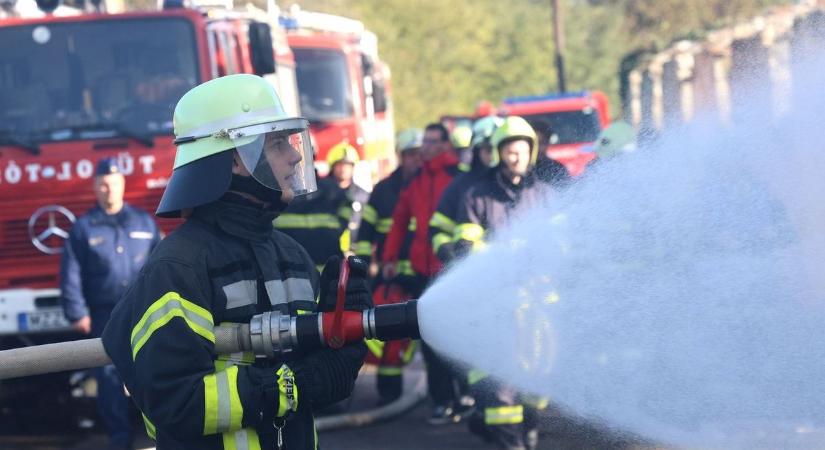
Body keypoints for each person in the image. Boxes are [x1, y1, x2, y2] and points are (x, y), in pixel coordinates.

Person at [100, 74, 370, 450]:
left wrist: (342, 340)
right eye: (276, 144)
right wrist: (289, 388)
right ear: (237, 161)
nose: (295, 155)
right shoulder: (179, 267)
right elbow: (175, 402)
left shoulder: (290, 255)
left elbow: (312, 375)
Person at [453, 116, 548, 450]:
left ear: (531, 152)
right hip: (495, 304)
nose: (516, 156)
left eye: (522, 150)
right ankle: (511, 443)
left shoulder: (544, 195)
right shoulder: (478, 196)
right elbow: (466, 239)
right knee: (501, 382)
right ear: (499, 153)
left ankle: (528, 426)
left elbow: (561, 245)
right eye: (510, 150)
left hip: (538, 305)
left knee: (537, 382)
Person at [60, 157, 161, 450]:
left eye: (114, 183)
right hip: (104, 315)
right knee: (107, 377)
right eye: (103, 184)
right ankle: (120, 438)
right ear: (95, 187)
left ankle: (156, 433)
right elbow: (71, 272)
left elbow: (161, 265)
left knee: (148, 369)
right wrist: (76, 312)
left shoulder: (143, 222)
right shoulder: (83, 228)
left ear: (122, 185)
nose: (109, 189)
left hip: (141, 311)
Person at [381, 122, 463, 425]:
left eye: (431, 141)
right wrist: (389, 256)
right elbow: (399, 220)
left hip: (452, 271)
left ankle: (466, 395)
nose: (425, 147)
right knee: (429, 338)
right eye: (424, 141)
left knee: (458, 336)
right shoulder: (416, 180)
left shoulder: (457, 177)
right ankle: (442, 400)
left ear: (445, 145)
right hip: (422, 273)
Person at [353, 128, 423, 405]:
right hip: (391, 277)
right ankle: (389, 393)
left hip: (419, 275)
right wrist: (363, 269)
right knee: (390, 336)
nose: (415, 160)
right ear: (401, 156)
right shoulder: (383, 190)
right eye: (410, 155)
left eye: (419, 155)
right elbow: (365, 233)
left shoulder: (425, 188)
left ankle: (443, 396)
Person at [430, 115, 503, 265]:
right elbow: (438, 228)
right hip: (474, 271)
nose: (494, 156)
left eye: (499, 149)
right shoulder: (462, 185)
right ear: (477, 150)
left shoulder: (524, 185)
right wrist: (447, 251)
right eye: (488, 149)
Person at [327, 141, 370, 251]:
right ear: (332, 167)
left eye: (347, 165)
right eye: (339, 164)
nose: (343, 169)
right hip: (330, 249)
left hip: (356, 251)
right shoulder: (325, 194)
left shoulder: (363, 195)